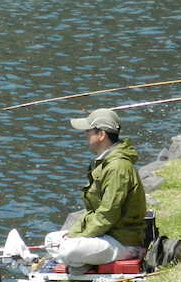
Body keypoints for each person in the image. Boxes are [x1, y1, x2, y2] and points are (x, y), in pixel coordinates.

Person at [44, 109, 147, 268]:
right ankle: (80, 260)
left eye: (88, 131)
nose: (86, 134)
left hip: (122, 241)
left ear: (101, 135)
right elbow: (94, 212)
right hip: (106, 234)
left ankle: (84, 261)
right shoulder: (105, 162)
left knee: (68, 249)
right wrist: (74, 233)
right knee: (51, 240)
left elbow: (107, 214)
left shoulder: (117, 167)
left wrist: (78, 237)